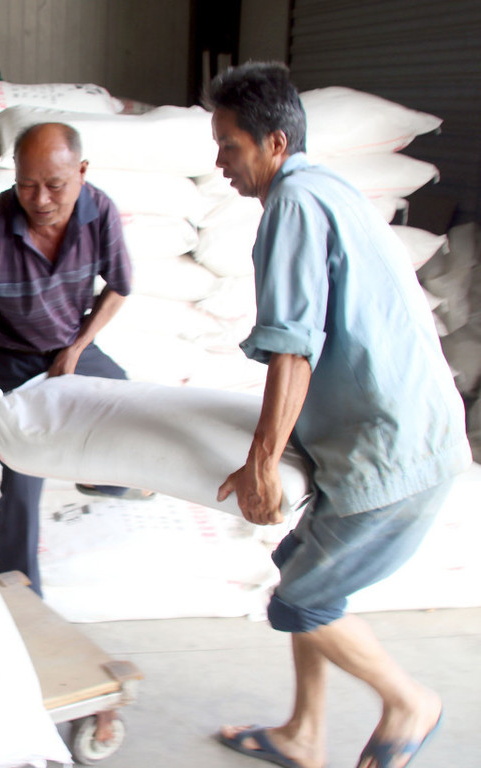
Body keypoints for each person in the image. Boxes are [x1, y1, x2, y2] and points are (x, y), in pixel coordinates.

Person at [206, 63, 470, 768]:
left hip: (391, 451)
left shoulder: (292, 203)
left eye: (229, 145)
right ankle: (304, 734)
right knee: (300, 566)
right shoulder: (327, 187)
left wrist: (263, 462)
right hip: (409, 433)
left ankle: (409, 701)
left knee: (299, 604)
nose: (220, 162)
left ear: (274, 145)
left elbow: (294, 348)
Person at [0, 122, 147, 597]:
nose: (40, 200)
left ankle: (105, 482)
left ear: (81, 173)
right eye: (26, 185)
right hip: (9, 358)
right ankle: (24, 595)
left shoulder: (98, 211)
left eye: (56, 186)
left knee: (133, 418)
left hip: (70, 344)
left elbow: (120, 286)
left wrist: (77, 349)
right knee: (24, 473)